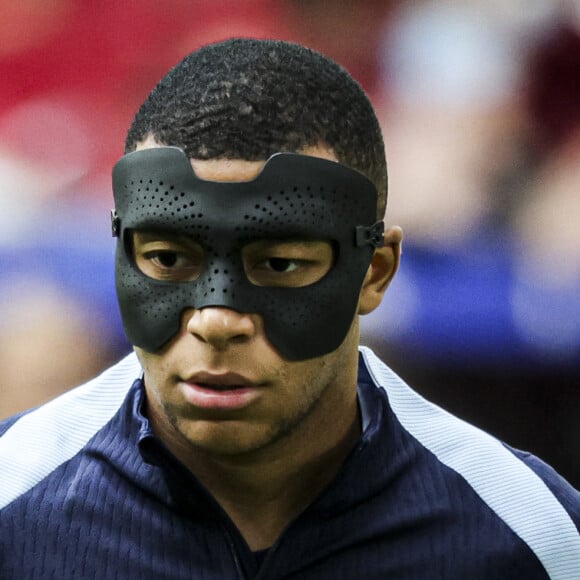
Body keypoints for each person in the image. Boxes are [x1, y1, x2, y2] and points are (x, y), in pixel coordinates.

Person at [1, 38, 578, 580]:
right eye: (167, 258)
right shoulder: (13, 502)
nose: (215, 320)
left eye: (277, 265)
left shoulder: (533, 535)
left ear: (374, 273)